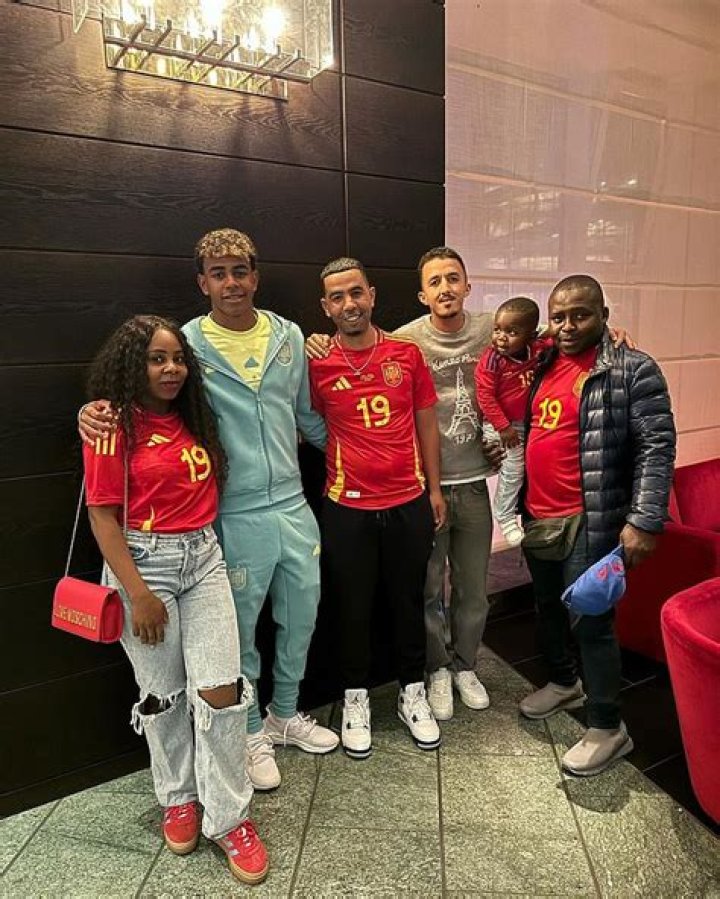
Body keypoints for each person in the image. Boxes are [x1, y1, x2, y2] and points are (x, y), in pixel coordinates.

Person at [79, 229, 338, 793]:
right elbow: (153, 401)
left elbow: (307, 416)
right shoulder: (188, 345)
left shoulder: (290, 335)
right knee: (237, 635)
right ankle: (248, 732)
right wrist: (95, 411)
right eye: (218, 273)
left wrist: (365, 450)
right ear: (203, 282)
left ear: (255, 275)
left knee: (302, 617)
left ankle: (284, 714)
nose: (231, 282)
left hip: (293, 503)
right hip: (232, 512)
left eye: (240, 271)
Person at [82, 315, 268, 884]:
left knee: (220, 692)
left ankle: (229, 817)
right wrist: (137, 593)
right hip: (143, 565)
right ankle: (179, 797)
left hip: (204, 557)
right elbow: (102, 517)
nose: (171, 369)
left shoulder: (193, 415)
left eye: (178, 359)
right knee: (162, 695)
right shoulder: (112, 424)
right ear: (131, 364)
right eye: (156, 359)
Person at [519, 274, 675, 776]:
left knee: (592, 622)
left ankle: (608, 727)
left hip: (590, 519)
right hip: (538, 515)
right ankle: (565, 683)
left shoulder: (633, 369)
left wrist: (645, 520)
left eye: (580, 315)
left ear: (604, 316)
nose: (567, 326)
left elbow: (656, 448)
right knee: (547, 608)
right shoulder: (543, 361)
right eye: (558, 317)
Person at [308, 257, 446, 759]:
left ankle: (413, 692)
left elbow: (426, 423)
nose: (349, 304)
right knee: (352, 606)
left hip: (409, 500)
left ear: (372, 295)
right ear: (326, 307)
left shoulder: (406, 354)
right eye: (337, 297)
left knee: (408, 601)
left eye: (356, 293)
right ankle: (355, 697)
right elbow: (303, 420)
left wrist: (435, 489)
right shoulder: (315, 362)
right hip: (346, 507)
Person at [475, 296, 552, 547]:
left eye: (512, 332)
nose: (501, 337)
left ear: (530, 336)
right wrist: (503, 427)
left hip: (524, 423)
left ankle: (525, 510)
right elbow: (485, 397)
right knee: (514, 469)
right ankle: (505, 517)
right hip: (500, 425)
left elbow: (554, 334)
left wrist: (608, 332)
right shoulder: (492, 360)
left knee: (532, 466)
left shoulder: (536, 349)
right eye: (497, 329)